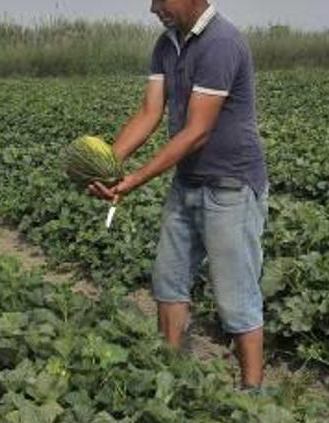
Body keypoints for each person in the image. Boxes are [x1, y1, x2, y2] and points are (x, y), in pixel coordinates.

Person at [88, 0, 268, 388]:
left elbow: (197, 131)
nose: (153, 8)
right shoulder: (166, 44)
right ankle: (168, 376)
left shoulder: (221, 43)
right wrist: (107, 164)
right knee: (168, 281)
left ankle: (253, 396)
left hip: (230, 185)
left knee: (236, 297)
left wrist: (136, 179)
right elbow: (149, 113)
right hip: (187, 182)